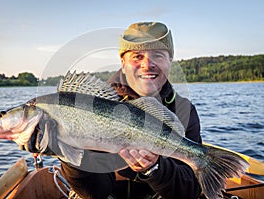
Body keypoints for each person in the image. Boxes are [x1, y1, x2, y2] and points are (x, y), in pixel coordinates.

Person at [22, 21, 202, 199]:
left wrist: (155, 168)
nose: (148, 64)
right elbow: (95, 193)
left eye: (158, 55)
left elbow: (190, 191)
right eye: (137, 57)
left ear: (170, 61)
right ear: (123, 63)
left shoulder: (183, 109)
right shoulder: (93, 105)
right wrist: (67, 154)